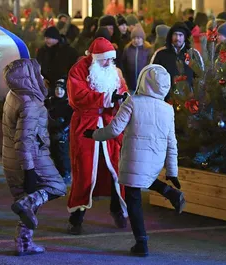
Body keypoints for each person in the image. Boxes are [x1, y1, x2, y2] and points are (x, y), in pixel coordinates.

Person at [83, 64, 185, 257]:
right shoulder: (168, 109)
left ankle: (141, 243)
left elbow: (114, 130)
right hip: (155, 158)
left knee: (133, 199)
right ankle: (170, 192)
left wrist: (94, 134)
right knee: (143, 176)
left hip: (134, 157)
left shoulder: (132, 102)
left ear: (143, 81)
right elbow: (172, 142)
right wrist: (172, 171)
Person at [2, 58, 67, 256]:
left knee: (29, 198)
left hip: (11, 157)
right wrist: (29, 170)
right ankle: (26, 205)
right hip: (32, 156)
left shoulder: (14, 95)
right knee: (56, 186)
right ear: (28, 77)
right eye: (37, 74)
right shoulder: (30, 103)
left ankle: (23, 242)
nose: (42, 77)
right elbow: (24, 139)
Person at [66, 37, 129, 235]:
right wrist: (107, 98)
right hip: (86, 126)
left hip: (110, 125)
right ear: (95, 58)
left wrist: (122, 99)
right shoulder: (78, 70)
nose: (108, 63)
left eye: (111, 60)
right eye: (104, 60)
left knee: (115, 170)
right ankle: (77, 216)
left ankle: (117, 209)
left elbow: (123, 91)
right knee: (84, 170)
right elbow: (78, 97)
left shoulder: (114, 72)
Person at [151, 22, 203, 101]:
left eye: (180, 35)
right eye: (175, 34)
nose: (177, 38)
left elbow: (200, 77)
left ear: (185, 37)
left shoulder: (193, 54)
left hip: (188, 101)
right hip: (165, 99)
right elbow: (152, 76)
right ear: (171, 36)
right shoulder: (160, 54)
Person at [46, 77, 73, 185]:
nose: (59, 91)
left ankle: (65, 173)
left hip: (63, 134)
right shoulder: (50, 102)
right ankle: (57, 173)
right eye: (57, 89)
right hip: (51, 132)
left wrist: (63, 131)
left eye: (61, 89)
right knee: (53, 154)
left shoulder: (68, 104)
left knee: (62, 154)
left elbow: (70, 120)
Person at [121, 25, 151, 93]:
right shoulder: (127, 49)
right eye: (133, 38)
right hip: (130, 84)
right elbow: (124, 64)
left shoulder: (147, 49)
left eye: (138, 38)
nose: (135, 40)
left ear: (142, 39)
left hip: (144, 85)